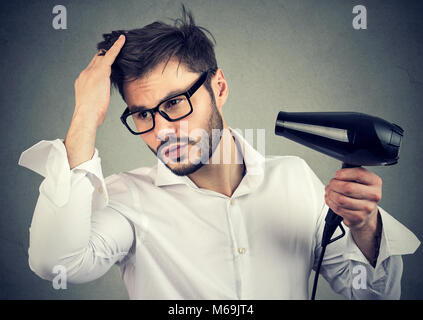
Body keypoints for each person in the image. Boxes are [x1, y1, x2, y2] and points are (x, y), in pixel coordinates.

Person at [18, 6, 419, 299]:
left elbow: (374, 295)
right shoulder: (127, 199)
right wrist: (85, 115)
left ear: (219, 88)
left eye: (175, 103)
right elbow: (57, 266)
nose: (161, 131)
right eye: (142, 115)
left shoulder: (295, 179)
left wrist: (364, 226)